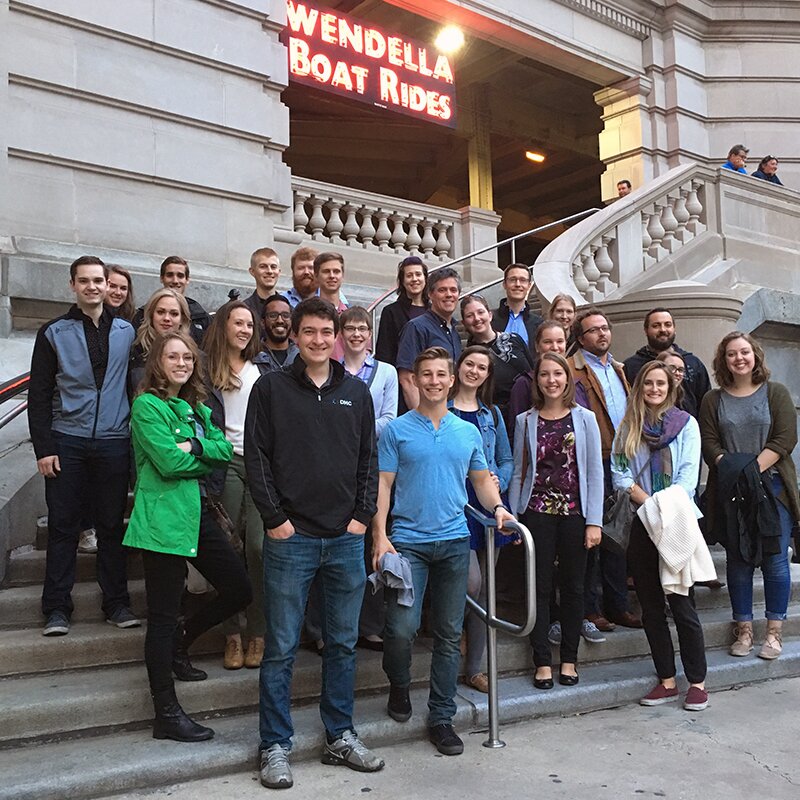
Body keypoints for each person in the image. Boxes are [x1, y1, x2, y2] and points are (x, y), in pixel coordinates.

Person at [244, 297, 384, 789]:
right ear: (296, 336)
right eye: (310, 332)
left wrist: (362, 517)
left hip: (345, 539)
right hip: (292, 538)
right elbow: (256, 459)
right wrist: (275, 519)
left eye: (328, 332)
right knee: (281, 647)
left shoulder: (358, 394)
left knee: (343, 645)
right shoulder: (270, 389)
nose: (320, 340)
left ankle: (340, 736)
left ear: (339, 336)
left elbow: (369, 460)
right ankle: (275, 745)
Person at [372, 347, 516, 757]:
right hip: (409, 544)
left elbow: (484, 480)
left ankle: (441, 716)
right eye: (426, 375)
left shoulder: (467, 432)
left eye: (441, 374)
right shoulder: (397, 431)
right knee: (401, 629)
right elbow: (383, 486)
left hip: (455, 540)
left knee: (450, 634)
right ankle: (399, 684)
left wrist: (499, 509)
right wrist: (379, 536)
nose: (434, 381)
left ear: (451, 381)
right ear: (415, 381)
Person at [124, 331, 251, 741]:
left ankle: (182, 642)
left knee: (239, 588)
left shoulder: (193, 406)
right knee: (160, 616)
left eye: (187, 358)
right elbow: (167, 462)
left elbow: (223, 450)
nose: (182, 363)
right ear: (157, 363)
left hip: (196, 514)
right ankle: (166, 713)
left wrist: (192, 445)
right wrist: (199, 452)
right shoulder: (146, 406)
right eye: (173, 356)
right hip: (161, 521)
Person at [28, 256, 138, 636]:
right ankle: (57, 608)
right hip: (67, 440)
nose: (93, 287)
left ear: (109, 286)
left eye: (99, 281)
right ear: (72, 285)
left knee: (110, 527)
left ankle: (117, 604)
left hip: (112, 441)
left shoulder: (126, 330)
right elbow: (38, 395)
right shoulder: (53, 332)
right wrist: (44, 448)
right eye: (85, 281)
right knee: (62, 527)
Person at [612, 361, 710, 712]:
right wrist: (647, 503)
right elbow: (619, 472)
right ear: (640, 388)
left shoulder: (687, 425)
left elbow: (688, 476)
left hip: (676, 521)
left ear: (671, 387)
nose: (654, 389)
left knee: (682, 604)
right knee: (652, 606)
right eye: (648, 383)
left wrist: (662, 506)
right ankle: (667, 680)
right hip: (642, 521)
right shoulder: (629, 425)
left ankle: (697, 682)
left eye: (661, 383)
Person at [699, 332, 799, 661]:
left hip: (772, 488)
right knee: (739, 561)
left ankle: (773, 632)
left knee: (774, 560)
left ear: (755, 355)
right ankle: (743, 629)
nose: (739, 358)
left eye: (744, 352)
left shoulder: (777, 393)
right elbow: (709, 442)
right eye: (731, 354)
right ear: (723, 360)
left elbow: (785, 439)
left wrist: (750, 470)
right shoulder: (713, 400)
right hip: (732, 492)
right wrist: (737, 474)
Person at [510, 352, 603, 689]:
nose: (552, 380)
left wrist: (595, 521)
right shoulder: (525, 420)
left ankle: (569, 658)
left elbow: (594, 471)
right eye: (545, 374)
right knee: (539, 587)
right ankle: (542, 661)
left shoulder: (585, 419)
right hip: (535, 513)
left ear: (567, 379)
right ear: (537, 380)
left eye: (558, 374)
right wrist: (514, 517)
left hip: (575, 513)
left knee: (575, 587)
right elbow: (519, 472)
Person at [203, 302, 273, 671]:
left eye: (250, 324)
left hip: (259, 464)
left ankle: (258, 631)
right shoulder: (206, 368)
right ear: (224, 326)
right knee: (226, 549)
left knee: (260, 549)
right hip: (222, 462)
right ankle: (231, 634)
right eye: (238, 323)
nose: (245, 329)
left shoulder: (264, 370)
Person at [569, 308, 641, 631]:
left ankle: (617, 606)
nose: (602, 334)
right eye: (593, 330)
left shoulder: (619, 368)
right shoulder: (573, 370)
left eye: (604, 328)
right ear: (581, 338)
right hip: (591, 460)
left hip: (621, 458)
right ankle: (590, 608)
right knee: (592, 538)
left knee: (617, 535)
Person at [447, 346, 514, 693]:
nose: (474, 371)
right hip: (456, 505)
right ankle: (452, 630)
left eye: (482, 367)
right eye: (469, 364)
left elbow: (505, 457)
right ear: (458, 369)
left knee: (486, 591)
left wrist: (499, 478)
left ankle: (475, 668)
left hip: (489, 504)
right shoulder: (441, 409)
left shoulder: (493, 414)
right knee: (470, 583)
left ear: (488, 375)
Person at [623, 308, 711, 419]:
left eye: (668, 325)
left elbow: (705, 406)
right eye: (656, 325)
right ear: (646, 330)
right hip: (644, 430)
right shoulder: (631, 366)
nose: (663, 329)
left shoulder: (693, 363)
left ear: (674, 329)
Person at [460, 294, 534, 423]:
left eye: (480, 312)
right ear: (464, 323)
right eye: (470, 316)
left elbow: (532, 373)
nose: (476, 318)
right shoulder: (468, 358)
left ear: (490, 315)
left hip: (529, 411)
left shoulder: (514, 339)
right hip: (496, 419)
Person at [396, 268, 462, 410]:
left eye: (453, 290)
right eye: (442, 290)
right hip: (427, 413)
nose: (449, 295)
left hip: (451, 413)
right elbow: (407, 379)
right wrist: (422, 420)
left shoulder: (455, 331)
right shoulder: (416, 327)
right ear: (430, 294)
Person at [133, 257, 212, 346]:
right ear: (162, 278)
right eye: (170, 275)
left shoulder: (202, 318)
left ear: (187, 280)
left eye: (180, 276)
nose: (175, 281)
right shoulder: (141, 316)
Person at [129, 289, 191, 395]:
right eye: (161, 312)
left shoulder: (195, 356)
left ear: (182, 319)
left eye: (174, 314)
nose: (166, 318)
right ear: (151, 315)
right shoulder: (134, 351)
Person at [375, 255, 429, 368]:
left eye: (418, 274)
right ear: (403, 281)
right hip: (402, 375)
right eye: (409, 275)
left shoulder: (433, 311)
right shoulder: (391, 312)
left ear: (425, 278)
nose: (414, 279)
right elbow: (384, 352)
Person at [491, 263, 543, 355]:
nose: (518, 284)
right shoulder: (490, 319)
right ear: (504, 284)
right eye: (513, 280)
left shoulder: (538, 323)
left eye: (523, 280)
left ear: (529, 285)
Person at [243, 247, 281, 341]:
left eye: (273, 267)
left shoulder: (289, 310)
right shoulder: (245, 309)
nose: (269, 271)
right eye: (263, 266)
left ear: (279, 272)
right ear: (252, 271)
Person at [259, 293, 300, 370]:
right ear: (263, 322)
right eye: (273, 315)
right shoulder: (253, 356)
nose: (280, 320)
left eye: (285, 315)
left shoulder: (301, 357)